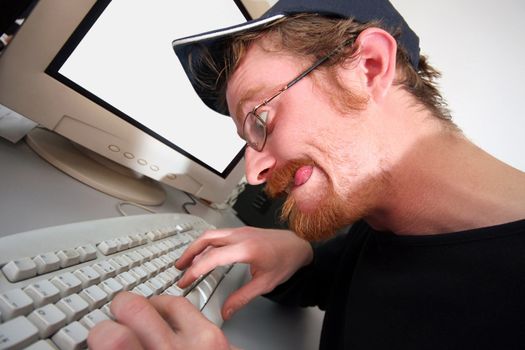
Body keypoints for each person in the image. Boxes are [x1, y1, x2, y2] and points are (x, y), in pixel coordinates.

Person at [88, 0, 525, 349]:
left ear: (369, 67)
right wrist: (300, 252)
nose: (255, 173)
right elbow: (340, 279)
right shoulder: (381, 225)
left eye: (260, 119)